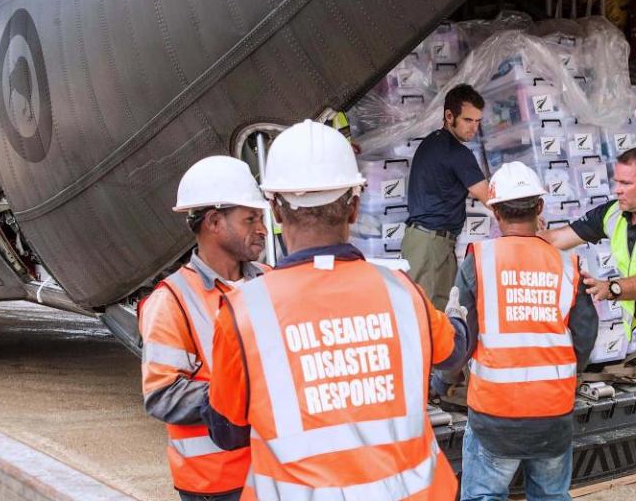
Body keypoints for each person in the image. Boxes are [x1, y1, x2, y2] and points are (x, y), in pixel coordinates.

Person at [203, 120, 468, 499]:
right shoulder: (401, 292)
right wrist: (459, 319)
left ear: (275, 211)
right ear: (355, 208)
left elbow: (227, 431)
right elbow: (453, 352)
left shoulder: (244, 312)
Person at [446, 161, 598, 501]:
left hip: (495, 415)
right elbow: (586, 333)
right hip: (552, 412)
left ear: (494, 211)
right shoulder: (567, 265)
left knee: (485, 495)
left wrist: (444, 379)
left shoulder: (479, 260)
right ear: (540, 207)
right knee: (551, 495)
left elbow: (460, 337)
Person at [139, 155, 270, 501]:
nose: (262, 229)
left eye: (261, 218)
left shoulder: (272, 282)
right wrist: (240, 396)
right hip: (218, 484)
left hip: (274, 472)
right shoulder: (172, 300)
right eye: (250, 218)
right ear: (214, 221)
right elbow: (161, 395)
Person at [540, 147, 636, 346]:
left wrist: (613, 288)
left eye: (625, 183)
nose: (616, 189)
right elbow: (558, 239)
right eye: (616, 181)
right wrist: (517, 235)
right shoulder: (613, 213)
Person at [402, 83, 490, 310]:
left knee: (439, 313)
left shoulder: (433, 142)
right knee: (431, 316)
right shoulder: (456, 153)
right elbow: (486, 195)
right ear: (449, 116)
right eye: (468, 120)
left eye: (478, 121)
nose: (474, 128)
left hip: (431, 242)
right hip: (430, 244)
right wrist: (524, 214)